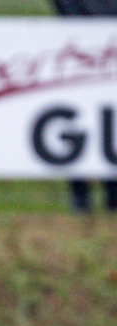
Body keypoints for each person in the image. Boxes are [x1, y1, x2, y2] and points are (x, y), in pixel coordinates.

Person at [52, 0, 117, 212]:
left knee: (110, 122)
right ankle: (81, 197)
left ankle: (111, 196)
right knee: (75, 120)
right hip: (78, 45)